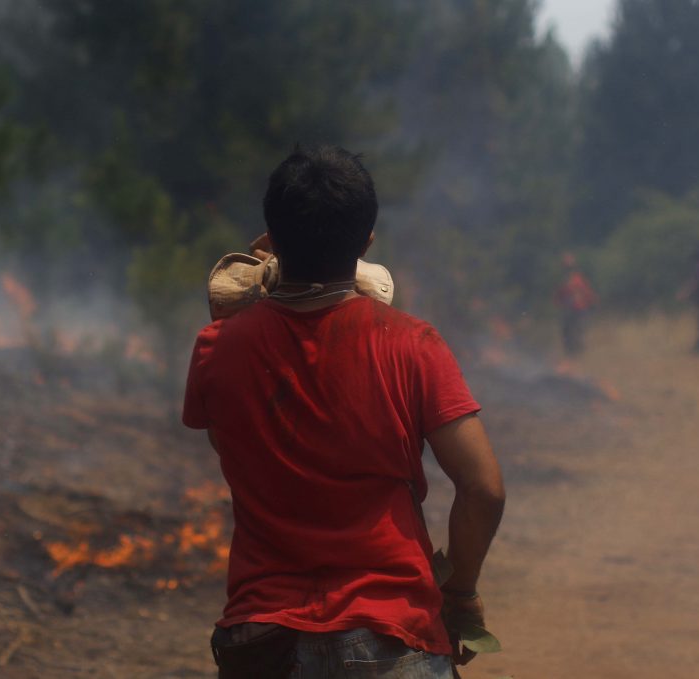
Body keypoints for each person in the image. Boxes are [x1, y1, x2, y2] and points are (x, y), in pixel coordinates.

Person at [183, 145, 505, 679]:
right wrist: (461, 592)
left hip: (264, 639)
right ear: (366, 242)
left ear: (270, 238)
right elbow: (484, 489)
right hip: (391, 633)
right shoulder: (412, 344)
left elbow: (229, 444)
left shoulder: (218, 348)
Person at [553, 253, 598, 356]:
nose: (567, 269)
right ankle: (571, 354)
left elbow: (589, 295)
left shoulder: (578, 279)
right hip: (570, 311)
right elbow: (557, 298)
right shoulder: (564, 281)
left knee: (578, 333)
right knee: (567, 334)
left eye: (569, 267)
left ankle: (578, 354)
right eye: (566, 267)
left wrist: (591, 305)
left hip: (579, 311)